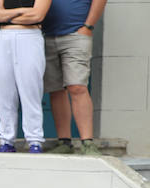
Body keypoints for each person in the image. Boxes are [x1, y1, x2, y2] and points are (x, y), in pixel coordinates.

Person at [43, 0, 105, 154]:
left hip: (76, 34)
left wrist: (88, 26)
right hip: (46, 35)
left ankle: (87, 143)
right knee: (56, 90)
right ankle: (64, 142)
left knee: (77, 87)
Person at [0, 0, 52, 153]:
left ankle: (34, 139)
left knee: (31, 89)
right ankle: (6, 140)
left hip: (29, 36)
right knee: (4, 91)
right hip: (4, 36)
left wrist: (6, 15)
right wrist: (22, 11)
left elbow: (37, 15)